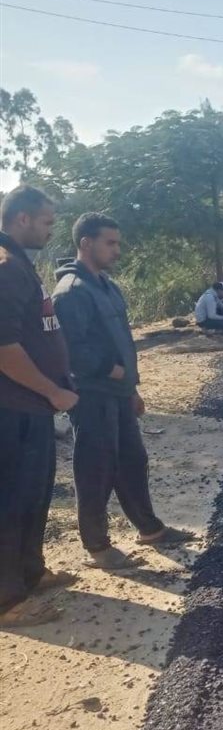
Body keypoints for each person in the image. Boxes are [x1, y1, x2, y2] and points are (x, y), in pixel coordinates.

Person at [53, 213, 189, 569]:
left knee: (132, 460)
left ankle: (150, 529)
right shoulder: (71, 290)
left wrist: (131, 389)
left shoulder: (107, 286)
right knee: (96, 468)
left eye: (118, 243)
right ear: (86, 243)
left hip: (118, 393)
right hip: (92, 394)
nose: (117, 250)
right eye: (110, 243)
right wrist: (111, 370)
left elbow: (122, 341)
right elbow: (71, 349)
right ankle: (98, 548)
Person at [0, 186, 79, 627]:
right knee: (10, 501)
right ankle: (7, 600)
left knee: (33, 495)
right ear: (23, 219)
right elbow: (4, 348)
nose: (51, 230)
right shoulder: (6, 268)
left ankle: (30, 572)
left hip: (31, 409)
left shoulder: (19, 264)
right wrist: (52, 390)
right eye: (47, 222)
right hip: (12, 410)